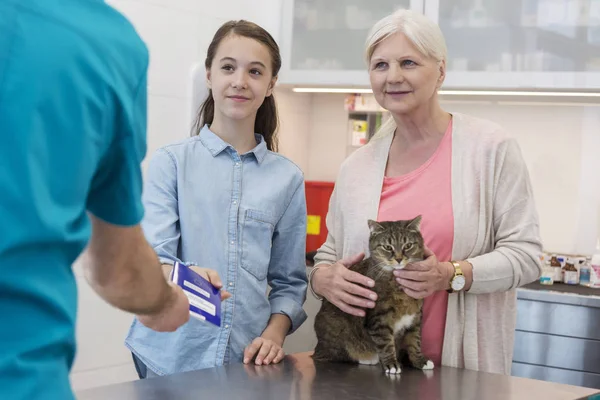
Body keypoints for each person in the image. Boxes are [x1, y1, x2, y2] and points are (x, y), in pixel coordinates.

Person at [309, 9, 542, 375]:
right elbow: (329, 254)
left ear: (441, 71)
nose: (394, 76)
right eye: (380, 65)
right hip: (369, 376)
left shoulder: (491, 149)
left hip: (460, 371)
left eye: (408, 62)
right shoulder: (356, 167)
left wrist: (450, 274)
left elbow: (527, 256)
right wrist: (320, 278)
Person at [0, 1, 211, 399]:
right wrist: (167, 302)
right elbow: (117, 270)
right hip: (22, 376)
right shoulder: (104, 43)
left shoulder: (283, 175)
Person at [125, 20, 308, 378]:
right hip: (168, 358)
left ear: (270, 85)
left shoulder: (287, 178)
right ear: (209, 75)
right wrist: (184, 277)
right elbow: (153, 261)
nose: (240, 81)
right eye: (228, 67)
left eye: (255, 71)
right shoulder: (172, 162)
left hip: (245, 362)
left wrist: (275, 332)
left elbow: (290, 282)